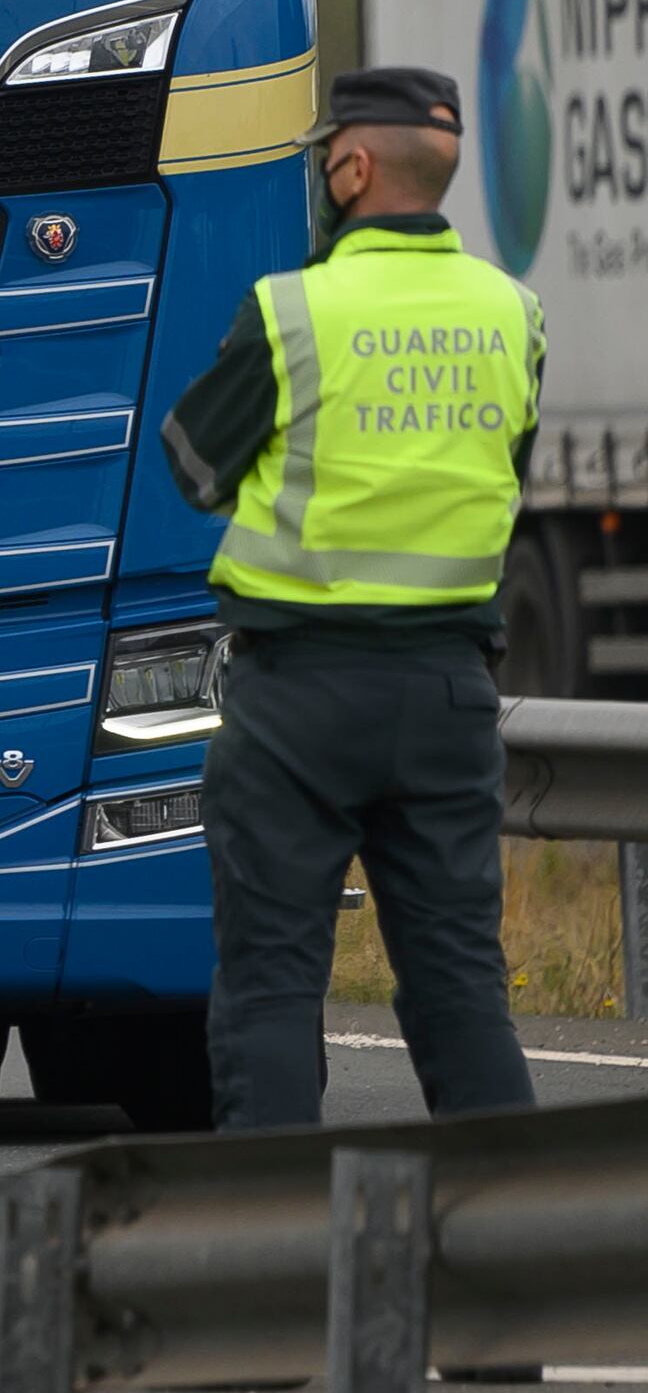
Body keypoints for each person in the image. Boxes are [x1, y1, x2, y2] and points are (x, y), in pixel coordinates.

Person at [157, 66, 543, 1131]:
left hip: (299, 699)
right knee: (462, 987)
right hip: (449, 696)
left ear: (353, 166)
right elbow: (502, 470)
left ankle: (276, 1266)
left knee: (273, 987)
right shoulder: (513, 315)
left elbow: (190, 465)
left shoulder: (293, 309)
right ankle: (516, 1254)